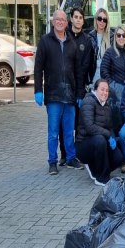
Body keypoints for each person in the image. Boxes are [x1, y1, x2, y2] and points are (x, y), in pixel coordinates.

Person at [34, 9, 85, 175]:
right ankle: (52, 162)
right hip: (53, 95)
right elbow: (38, 68)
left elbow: (78, 71)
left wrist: (79, 94)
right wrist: (37, 90)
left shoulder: (72, 43)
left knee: (69, 131)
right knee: (53, 132)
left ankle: (71, 158)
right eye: (57, 19)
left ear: (66, 22)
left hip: (70, 96)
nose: (60, 22)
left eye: (63, 20)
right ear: (53, 21)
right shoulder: (45, 41)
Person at [57, 7, 93, 166]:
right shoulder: (64, 36)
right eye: (75, 17)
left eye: (81, 17)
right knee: (62, 124)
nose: (78, 20)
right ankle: (64, 154)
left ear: (83, 21)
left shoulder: (86, 40)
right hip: (63, 88)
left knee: (79, 124)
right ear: (70, 19)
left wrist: (81, 92)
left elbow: (86, 67)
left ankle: (75, 155)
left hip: (79, 89)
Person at [76, 79, 124, 186]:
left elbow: (110, 127)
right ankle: (101, 178)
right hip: (84, 144)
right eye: (102, 89)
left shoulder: (106, 106)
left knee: (119, 157)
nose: (105, 93)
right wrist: (107, 135)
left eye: (107, 90)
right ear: (95, 89)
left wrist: (112, 137)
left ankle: (97, 168)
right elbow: (90, 127)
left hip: (99, 141)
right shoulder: (88, 101)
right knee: (100, 140)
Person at [100, 24, 125, 172]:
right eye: (118, 35)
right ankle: (119, 158)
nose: (121, 38)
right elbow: (103, 70)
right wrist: (112, 85)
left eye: (124, 35)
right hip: (114, 98)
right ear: (115, 37)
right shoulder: (110, 53)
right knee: (116, 126)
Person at [88, 8, 112, 85]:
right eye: (100, 18)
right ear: (96, 20)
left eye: (104, 20)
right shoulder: (90, 37)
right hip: (93, 77)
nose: (102, 21)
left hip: (107, 78)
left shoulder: (111, 37)